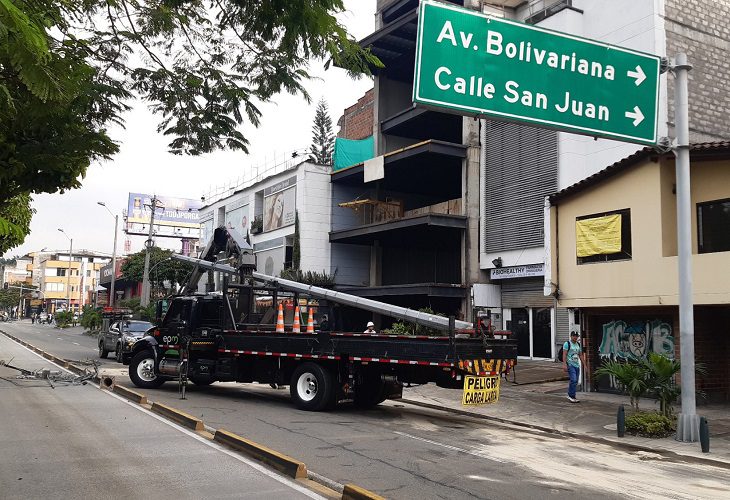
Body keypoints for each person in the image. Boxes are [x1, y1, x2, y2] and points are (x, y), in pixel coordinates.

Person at [562, 331, 586, 403]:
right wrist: (564, 364)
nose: (575, 337)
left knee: (575, 381)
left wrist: (584, 364)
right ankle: (571, 395)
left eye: (576, 336)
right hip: (570, 364)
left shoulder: (578, 344)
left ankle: (572, 395)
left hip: (576, 365)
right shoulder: (567, 344)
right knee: (574, 379)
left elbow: (580, 355)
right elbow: (564, 354)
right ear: (571, 336)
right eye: (574, 336)